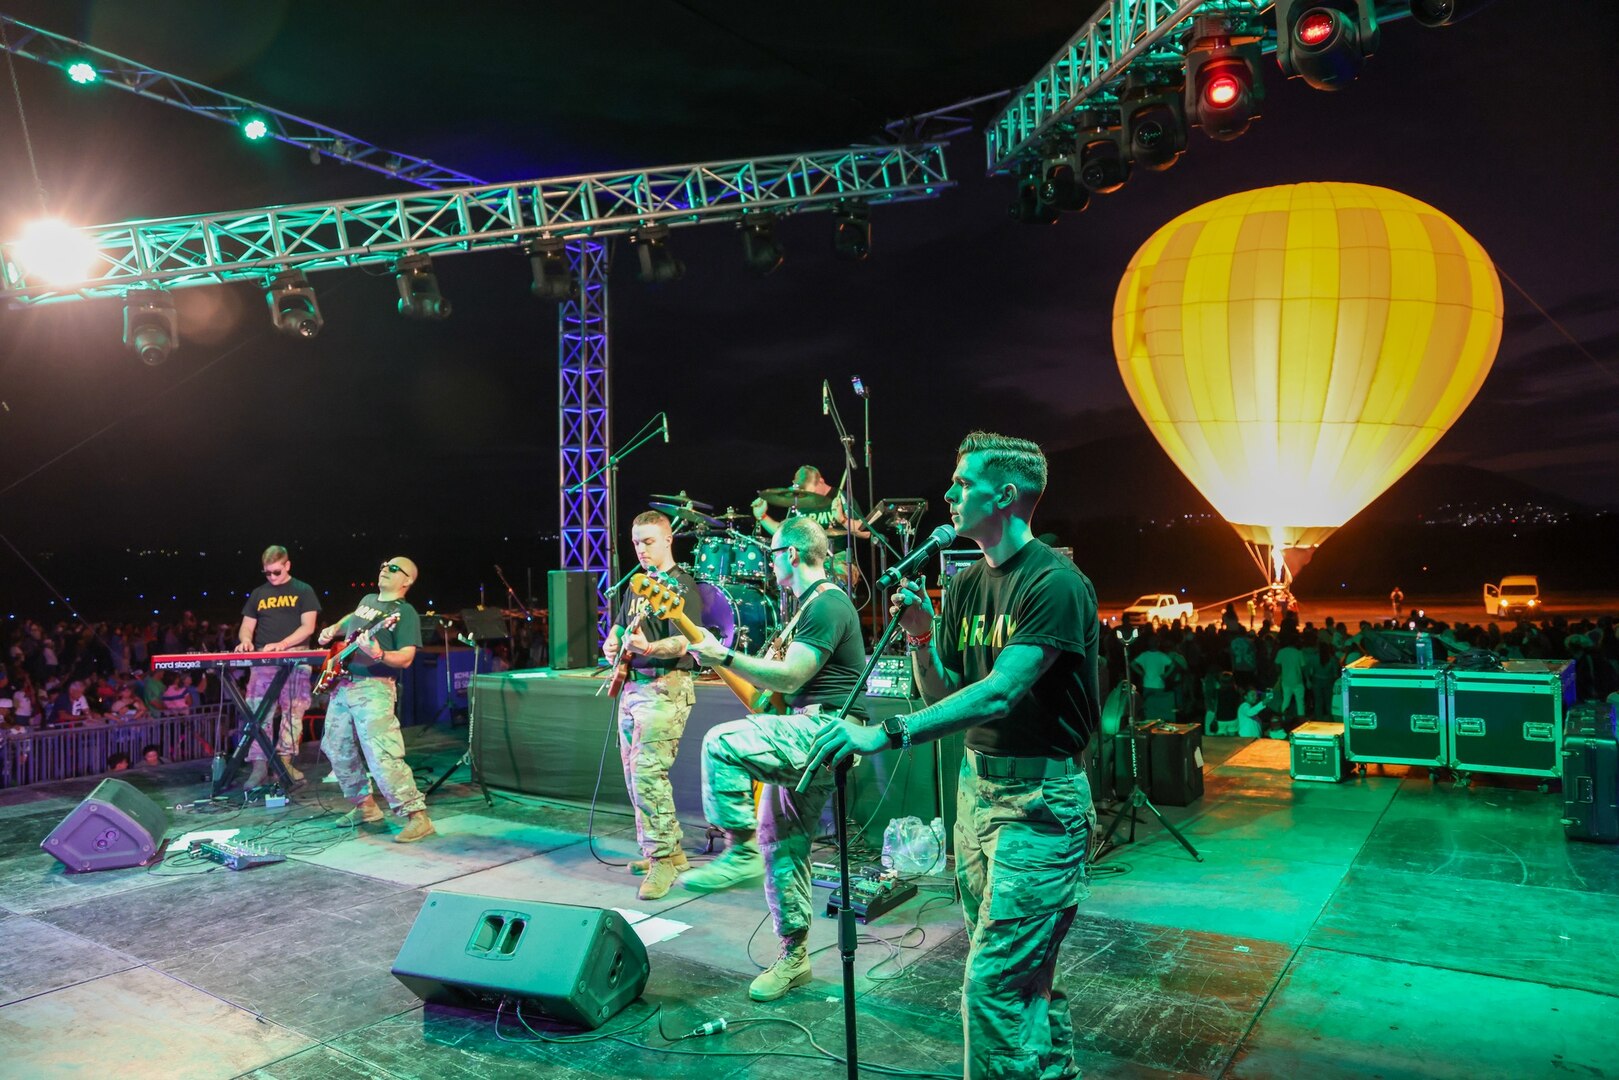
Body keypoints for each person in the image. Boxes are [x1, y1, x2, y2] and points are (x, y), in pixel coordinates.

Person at [805, 431, 1099, 1080]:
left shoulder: (1054, 583)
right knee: (1021, 976)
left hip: (1037, 810)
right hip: (977, 794)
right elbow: (945, 689)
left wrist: (885, 733)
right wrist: (918, 639)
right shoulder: (964, 586)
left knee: (992, 987)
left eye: (963, 483)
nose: (948, 493)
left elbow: (999, 693)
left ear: (1007, 495)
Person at [679, 515, 868, 1003]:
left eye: (773, 551)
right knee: (782, 846)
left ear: (792, 553)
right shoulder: (804, 608)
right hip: (804, 728)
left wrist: (723, 654)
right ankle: (794, 957)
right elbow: (766, 699)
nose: (768, 558)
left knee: (721, 743)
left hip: (823, 731)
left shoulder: (827, 604)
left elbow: (789, 676)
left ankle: (736, 846)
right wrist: (717, 660)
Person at [602, 510, 698, 901]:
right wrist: (612, 641)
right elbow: (621, 626)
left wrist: (649, 647)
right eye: (636, 542)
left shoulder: (683, 585)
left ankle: (660, 861)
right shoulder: (636, 585)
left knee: (646, 774)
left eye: (648, 541)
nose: (641, 549)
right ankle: (669, 852)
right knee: (634, 776)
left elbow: (687, 642)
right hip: (632, 687)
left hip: (666, 686)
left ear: (668, 539)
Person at [317, 557, 434, 843]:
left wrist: (379, 654)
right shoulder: (369, 599)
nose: (385, 568)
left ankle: (417, 816)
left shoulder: (404, 614)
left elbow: (406, 658)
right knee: (335, 746)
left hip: (375, 688)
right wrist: (335, 627)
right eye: (383, 564)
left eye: (394, 568)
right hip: (344, 683)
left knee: (382, 754)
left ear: (406, 581)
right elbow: (353, 617)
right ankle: (366, 807)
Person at [236, 545, 321, 787]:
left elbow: (308, 627)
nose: (272, 577)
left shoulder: (304, 591)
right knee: (257, 713)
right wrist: (245, 640)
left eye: (276, 572)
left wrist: (283, 644)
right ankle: (259, 765)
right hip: (264, 661)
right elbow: (247, 625)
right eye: (267, 573)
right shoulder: (258, 593)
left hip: (296, 658)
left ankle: (284, 762)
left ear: (287, 565)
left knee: (294, 712)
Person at [752, 465, 867, 585]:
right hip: (807, 560)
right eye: (805, 494)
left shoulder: (841, 497)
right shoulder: (798, 502)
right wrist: (762, 517)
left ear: (821, 481)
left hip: (838, 559)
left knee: (837, 572)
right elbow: (783, 532)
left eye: (812, 493)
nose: (811, 499)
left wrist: (843, 519)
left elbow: (865, 532)